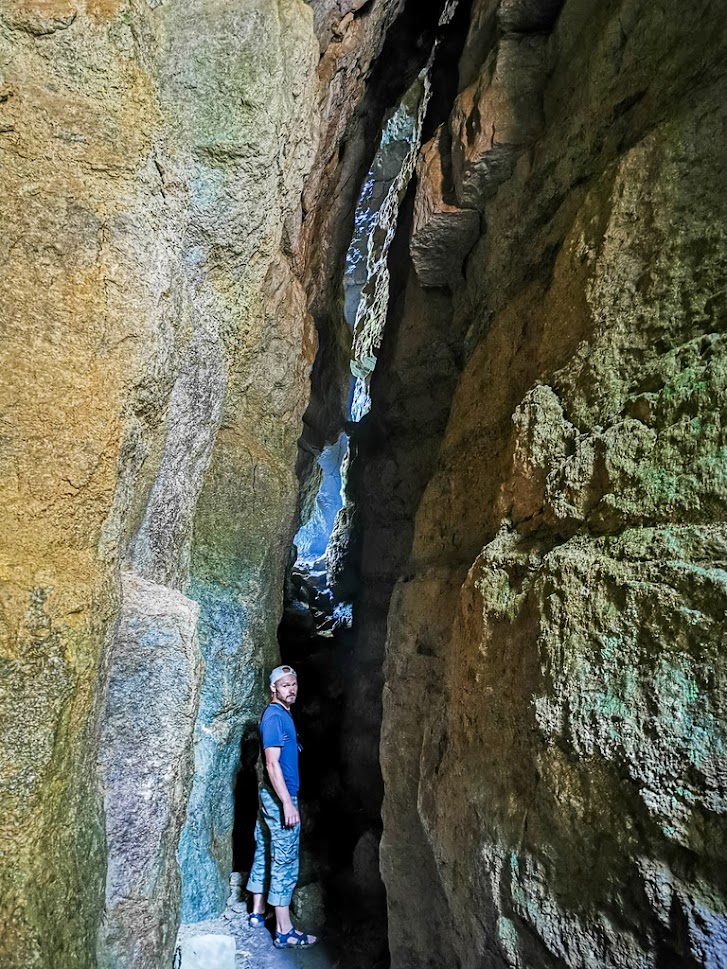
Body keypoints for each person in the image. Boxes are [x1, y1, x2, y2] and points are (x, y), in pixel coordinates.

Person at [246, 664, 318, 949]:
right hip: (280, 798)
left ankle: (257, 911)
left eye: (294, 684)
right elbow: (271, 763)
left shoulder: (281, 714)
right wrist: (288, 803)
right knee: (285, 860)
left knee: (265, 849)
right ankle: (284, 931)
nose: (292, 689)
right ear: (273, 688)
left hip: (270, 797)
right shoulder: (275, 717)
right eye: (285, 685)